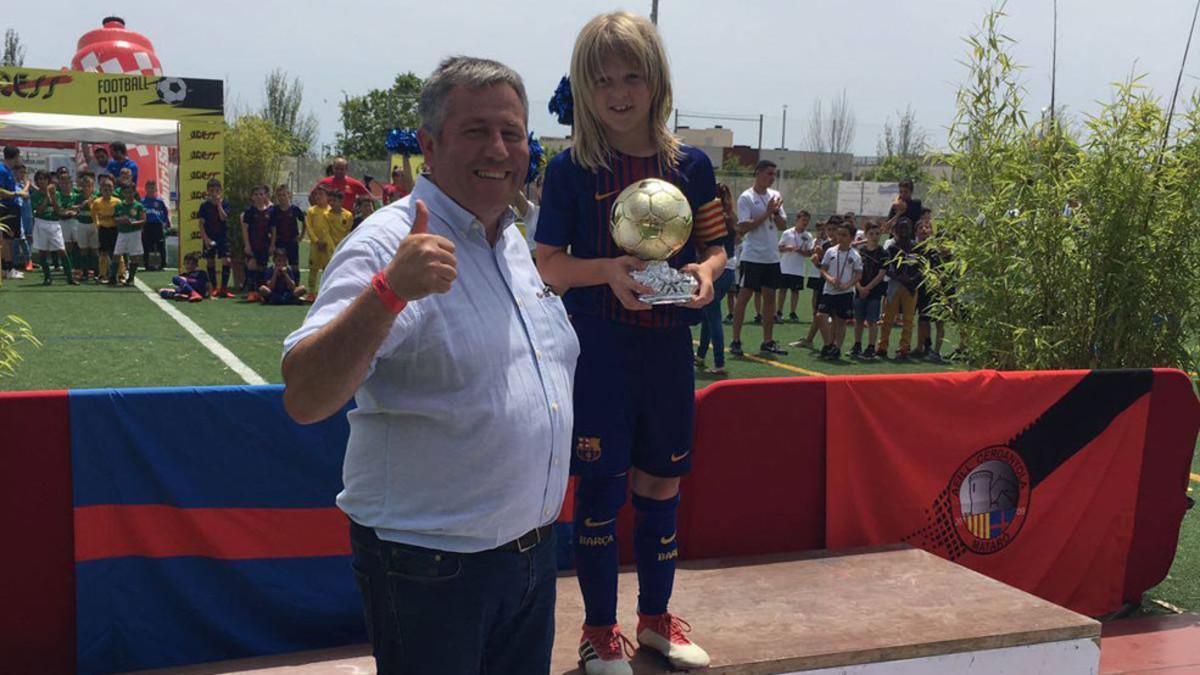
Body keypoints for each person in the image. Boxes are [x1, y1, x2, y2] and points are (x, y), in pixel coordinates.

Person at [283, 56, 578, 675]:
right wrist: (389, 291)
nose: (498, 148)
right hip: (432, 570)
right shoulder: (389, 244)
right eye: (475, 131)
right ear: (429, 146)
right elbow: (306, 396)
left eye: (511, 132)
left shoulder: (511, 240)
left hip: (529, 556)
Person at [535, 12, 724, 673]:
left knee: (662, 481)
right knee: (600, 489)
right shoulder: (570, 171)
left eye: (631, 76)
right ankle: (598, 632)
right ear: (583, 88)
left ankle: (654, 620)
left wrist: (705, 272)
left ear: (657, 80)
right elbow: (545, 264)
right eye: (602, 79)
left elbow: (716, 245)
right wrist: (607, 272)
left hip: (668, 347)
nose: (618, 92)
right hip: (599, 350)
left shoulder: (692, 166)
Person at [730, 160, 788, 356]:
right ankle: (736, 340)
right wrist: (767, 212)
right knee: (744, 298)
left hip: (772, 256)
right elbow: (743, 227)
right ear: (758, 173)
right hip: (753, 256)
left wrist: (776, 212)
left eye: (774, 174)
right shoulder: (746, 197)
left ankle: (768, 341)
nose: (772, 178)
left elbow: (782, 225)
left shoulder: (776, 196)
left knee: (769, 300)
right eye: (769, 173)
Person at [695, 184, 738, 375]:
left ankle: (719, 362)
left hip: (716, 270)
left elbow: (706, 244)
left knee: (713, 318)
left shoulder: (713, 217)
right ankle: (701, 355)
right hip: (729, 270)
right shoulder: (730, 217)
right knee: (708, 314)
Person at [815, 219, 862, 360]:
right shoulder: (830, 251)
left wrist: (848, 285)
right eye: (839, 234)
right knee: (820, 316)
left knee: (841, 321)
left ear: (851, 238)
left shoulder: (855, 255)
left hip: (845, 292)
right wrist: (830, 279)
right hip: (829, 291)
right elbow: (823, 269)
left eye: (844, 235)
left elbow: (858, 274)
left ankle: (837, 348)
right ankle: (829, 344)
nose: (840, 238)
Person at [876, 217, 921, 360]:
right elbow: (886, 267)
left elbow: (923, 268)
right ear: (895, 231)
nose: (903, 231)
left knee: (908, 319)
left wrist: (913, 280)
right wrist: (898, 277)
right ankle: (882, 347)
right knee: (887, 318)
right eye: (900, 228)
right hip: (894, 285)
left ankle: (904, 348)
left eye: (906, 228)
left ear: (910, 230)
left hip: (911, 287)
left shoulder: (916, 247)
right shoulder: (891, 248)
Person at [30, 170, 76, 285]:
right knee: (43, 252)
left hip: (54, 224)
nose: (42, 181)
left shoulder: (57, 194)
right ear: (36, 182)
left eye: (44, 179)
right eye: (39, 179)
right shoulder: (35, 195)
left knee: (62, 250)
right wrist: (47, 196)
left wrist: (53, 197)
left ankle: (70, 277)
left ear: (48, 181)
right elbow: (38, 211)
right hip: (41, 223)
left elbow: (58, 210)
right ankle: (47, 277)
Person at [791, 219, 832, 349]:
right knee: (819, 313)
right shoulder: (826, 244)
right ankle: (811, 340)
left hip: (835, 283)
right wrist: (818, 260)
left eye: (830, 229)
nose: (827, 232)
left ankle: (832, 345)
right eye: (828, 229)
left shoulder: (835, 246)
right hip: (823, 279)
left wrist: (821, 256)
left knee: (835, 317)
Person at [850, 221, 887, 358]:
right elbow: (855, 272)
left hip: (874, 292)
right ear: (866, 234)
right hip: (860, 290)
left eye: (877, 234)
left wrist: (868, 288)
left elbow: (881, 273)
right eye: (871, 234)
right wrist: (859, 287)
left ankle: (871, 347)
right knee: (858, 319)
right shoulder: (861, 252)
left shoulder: (883, 253)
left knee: (872, 321)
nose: (874, 236)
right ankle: (857, 345)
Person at [914, 214, 947, 362]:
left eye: (926, 227)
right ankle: (925, 346)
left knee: (939, 321)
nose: (924, 230)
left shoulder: (935, 251)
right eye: (920, 228)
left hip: (938, 291)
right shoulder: (914, 249)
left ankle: (937, 351)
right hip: (921, 290)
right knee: (923, 319)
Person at [198, 178, 234, 298]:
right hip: (210, 236)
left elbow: (224, 217)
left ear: (221, 191)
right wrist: (205, 239)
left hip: (223, 236)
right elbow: (201, 224)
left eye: (217, 190)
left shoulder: (225, 203)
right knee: (210, 261)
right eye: (212, 190)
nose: (214, 193)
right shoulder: (204, 206)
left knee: (227, 260)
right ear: (208, 191)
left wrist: (218, 204)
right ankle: (213, 287)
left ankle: (224, 288)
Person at [776, 210, 813, 323]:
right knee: (782, 290)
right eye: (803, 220)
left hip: (798, 269)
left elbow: (810, 253)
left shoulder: (808, 235)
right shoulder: (787, 233)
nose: (805, 223)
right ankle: (779, 312)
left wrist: (800, 251)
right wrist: (787, 248)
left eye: (807, 221)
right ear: (797, 220)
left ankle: (793, 312)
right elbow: (779, 248)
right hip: (785, 267)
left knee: (795, 291)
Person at [241, 185, 276, 302]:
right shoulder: (249, 211)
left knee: (262, 267)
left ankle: (260, 292)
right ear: (252, 197)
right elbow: (245, 228)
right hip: (253, 242)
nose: (259, 197)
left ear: (265, 196)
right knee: (251, 264)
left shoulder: (270, 211)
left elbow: (273, 230)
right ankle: (251, 291)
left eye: (261, 194)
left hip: (264, 243)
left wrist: (272, 245)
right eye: (256, 194)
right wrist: (247, 244)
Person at [0, 146, 28, 280]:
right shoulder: (2, 170)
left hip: (12, 207)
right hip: (6, 208)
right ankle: (8, 269)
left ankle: (8, 268)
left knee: (10, 240)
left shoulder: (8, 170)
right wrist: (17, 193)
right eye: (19, 156)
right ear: (15, 156)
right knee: (7, 240)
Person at [113, 183, 146, 286]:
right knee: (117, 254)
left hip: (134, 233)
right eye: (126, 192)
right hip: (122, 233)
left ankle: (131, 278)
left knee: (134, 256)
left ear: (134, 192)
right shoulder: (119, 205)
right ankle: (112, 277)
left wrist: (132, 223)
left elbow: (143, 220)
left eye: (131, 191)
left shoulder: (138, 205)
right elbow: (115, 218)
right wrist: (121, 220)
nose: (129, 194)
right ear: (123, 193)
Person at [90, 174, 121, 284]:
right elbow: (93, 215)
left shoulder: (117, 201)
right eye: (105, 188)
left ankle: (120, 273)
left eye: (109, 187)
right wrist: (97, 224)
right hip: (103, 229)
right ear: (101, 189)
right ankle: (103, 274)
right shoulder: (97, 202)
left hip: (114, 229)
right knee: (103, 253)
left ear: (113, 189)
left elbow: (120, 214)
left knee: (116, 253)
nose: (107, 190)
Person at [305, 186, 334, 300]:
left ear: (327, 197)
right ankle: (311, 292)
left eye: (321, 194)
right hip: (315, 246)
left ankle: (324, 292)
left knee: (327, 269)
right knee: (313, 269)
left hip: (327, 246)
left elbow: (333, 229)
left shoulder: (331, 211)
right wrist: (316, 241)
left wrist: (328, 242)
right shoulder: (311, 211)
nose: (318, 197)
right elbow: (309, 227)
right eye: (316, 195)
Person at [268, 185, 306, 268]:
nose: (282, 197)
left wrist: (301, 236)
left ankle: (295, 281)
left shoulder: (295, 209)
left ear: (289, 195)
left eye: (284, 195)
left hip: (292, 241)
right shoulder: (274, 211)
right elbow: (273, 229)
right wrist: (272, 244)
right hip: (280, 241)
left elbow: (304, 221)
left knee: (294, 266)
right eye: (279, 195)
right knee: (279, 265)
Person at [55, 169, 82, 280]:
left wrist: (74, 210)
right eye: (62, 182)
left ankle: (78, 267)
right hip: (63, 223)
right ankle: (68, 267)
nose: (65, 185)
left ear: (71, 183)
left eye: (67, 182)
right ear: (59, 184)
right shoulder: (58, 196)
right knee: (66, 246)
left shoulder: (76, 195)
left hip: (75, 222)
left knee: (78, 245)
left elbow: (80, 208)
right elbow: (59, 210)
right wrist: (70, 210)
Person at [73, 172, 99, 281]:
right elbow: (73, 207)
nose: (87, 188)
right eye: (85, 185)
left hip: (93, 225)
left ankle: (97, 272)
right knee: (83, 249)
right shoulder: (78, 197)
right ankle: (84, 272)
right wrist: (82, 205)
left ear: (93, 186)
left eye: (89, 185)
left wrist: (91, 204)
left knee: (95, 249)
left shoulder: (97, 197)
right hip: (82, 224)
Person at [141, 180, 170, 271]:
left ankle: (162, 264)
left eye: (152, 187)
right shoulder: (142, 201)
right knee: (146, 245)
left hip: (157, 225)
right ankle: (147, 264)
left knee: (160, 245)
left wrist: (166, 223)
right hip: (147, 225)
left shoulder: (159, 201)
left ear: (156, 189)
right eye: (149, 187)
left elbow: (165, 213)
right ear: (145, 188)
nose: (150, 189)